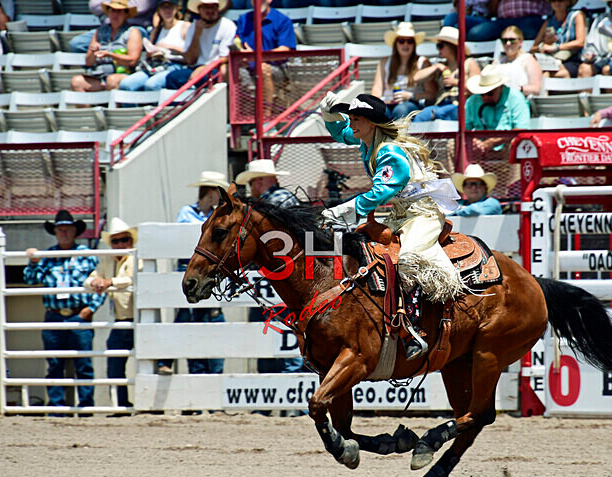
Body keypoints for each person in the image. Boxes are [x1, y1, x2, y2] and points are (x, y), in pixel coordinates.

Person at [319, 92, 463, 361]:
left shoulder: (389, 152)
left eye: (356, 119)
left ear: (372, 123)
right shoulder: (369, 139)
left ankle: (414, 329)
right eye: (350, 118)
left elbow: (381, 192)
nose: (351, 124)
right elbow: (342, 134)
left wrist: (342, 211)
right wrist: (329, 115)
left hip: (423, 214)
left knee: (409, 260)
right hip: (401, 215)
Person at [24, 210, 105, 413]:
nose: (64, 233)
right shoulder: (47, 256)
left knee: (84, 364)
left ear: (75, 231)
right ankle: (56, 407)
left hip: (79, 314)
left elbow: (101, 283)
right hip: (54, 315)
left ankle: (86, 407)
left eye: (67, 229)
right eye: (60, 229)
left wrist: (90, 309)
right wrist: (33, 262)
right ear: (55, 232)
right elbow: (31, 280)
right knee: (54, 363)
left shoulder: (87, 256)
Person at [235, 160, 305, 375]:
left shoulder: (275, 201)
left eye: (253, 182)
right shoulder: (278, 199)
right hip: (281, 274)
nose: (251, 188)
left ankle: (285, 384)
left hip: (283, 274)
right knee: (278, 329)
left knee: (279, 328)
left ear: (260, 181)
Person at [168, 171, 230, 376]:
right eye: (218, 192)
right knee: (193, 329)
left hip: (205, 273)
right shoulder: (186, 212)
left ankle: (211, 382)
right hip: (193, 273)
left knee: (209, 328)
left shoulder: (216, 216)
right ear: (210, 192)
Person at [85, 217, 142, 411]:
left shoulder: (137, 257)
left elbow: (131, 278)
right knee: (115, 364)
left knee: (145, 363)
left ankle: (146, 405)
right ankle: (120, 405)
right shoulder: (107, 260)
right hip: (121, 320)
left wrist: (109, 282)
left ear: (131, 241)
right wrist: (96, 282)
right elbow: (90, 279)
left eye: (123, 240)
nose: (120, 245)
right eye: (115, 241)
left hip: (140, 319)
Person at [234, 0, 296, 117]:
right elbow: (238, 44)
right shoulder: (243, 20)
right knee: (227, 71)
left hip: (277, 68)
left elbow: (284, 51)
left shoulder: (282, 20)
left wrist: (256, 57)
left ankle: (265, 118)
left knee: (263, 68)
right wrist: (241, 52)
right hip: (248, 66)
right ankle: (235, 117)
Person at [71, 0, 144, 93]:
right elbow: (89, 62)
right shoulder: (99, 32)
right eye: (113, 11)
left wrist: (111, 55)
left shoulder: (132, 32)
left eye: (119, 11)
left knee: (112, 80)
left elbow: (132, 61)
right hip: (99, 75)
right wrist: (92, 52)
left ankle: (111, 106)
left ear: (126, 14)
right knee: (77, 82)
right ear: (108, 13)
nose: (115, 15)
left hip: (122, 74)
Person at [119, 0, 190, 92]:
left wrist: (169, 47)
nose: (167, 10)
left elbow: (191, 56)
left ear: (176, 9)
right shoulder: (157, 30)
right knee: (126, 84)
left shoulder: (184, 26)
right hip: (155, 65)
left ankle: (160, 106)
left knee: (152, 85)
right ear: (159, 11)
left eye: (170, 7)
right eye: (164, 7)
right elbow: (149, 54)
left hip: (175, 65)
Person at [164, 0, 236, 89]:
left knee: (204, 78)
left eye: (213, 7)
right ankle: (179, 103)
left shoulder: (227, 25)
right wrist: (197, 34)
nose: (210, 11)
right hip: (196, 67)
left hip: (216, 68)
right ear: (199, 10)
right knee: (172, 78)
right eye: (206, 7)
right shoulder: (193, 26)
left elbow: (225, 57)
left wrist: (205, 68)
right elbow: (190, 60)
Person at [465, 64, 531, 160]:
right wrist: (474, 141)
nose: (485, 98)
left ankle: (515, 176)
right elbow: (464, 129)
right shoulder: (472, 101)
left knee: (516, 144)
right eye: (482, 94)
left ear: (500, 88)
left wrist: (493, 141)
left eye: (489, 93)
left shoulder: (516, 98)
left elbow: (521, 129)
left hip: (505, 147)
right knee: (452, 145)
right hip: (479, 150)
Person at [414, 27, 480, 122]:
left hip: (460, 105)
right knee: (420, 117)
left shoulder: (469, 63)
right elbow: (416, 78)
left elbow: (477, 89)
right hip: (440, 104)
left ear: (452, 46)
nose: (438, 49)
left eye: (441, 46)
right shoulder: (441, 66)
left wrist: (457, 82)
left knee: (440, 113)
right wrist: (436, 67)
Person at [371, 22, 431, 120]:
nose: (406, 44)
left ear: (414, 44)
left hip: (410, 103)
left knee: (401, 110)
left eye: (410, 41)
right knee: (379, 110)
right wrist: (382, 101)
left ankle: (398, 136)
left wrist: (410, 96)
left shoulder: (423, 62)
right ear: (396, 44)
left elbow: (431, 94)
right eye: (402, 41)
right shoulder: (384, 62)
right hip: (387, 102)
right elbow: (376, 89)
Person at [70, 0, 156, 53]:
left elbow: (141, 7)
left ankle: (111, 52)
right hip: (108, 28)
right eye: (112, 10)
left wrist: (113, 3)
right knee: (77, 43)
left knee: (135, 36)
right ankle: (112, 52)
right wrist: (120, 3)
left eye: (118, 10)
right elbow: (94, 6)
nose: (115, 12)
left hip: (136, 27)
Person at [530, 0, 586, 78]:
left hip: (572, 60)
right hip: (550, 61)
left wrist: (556, 47)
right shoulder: (549, 21)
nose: (557, 3)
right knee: (541, 73)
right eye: (553, 0)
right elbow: (533, 48)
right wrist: (543, 45)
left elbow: (580, 42)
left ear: (568, 2)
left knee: (550, 75)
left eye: (560, 0)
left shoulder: (577, 16)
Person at [460, 0, 552, 41]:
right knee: (476, 33)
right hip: (503, 22)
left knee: (529, 32)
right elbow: (492, 10)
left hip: (530, 19)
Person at [494, 25, 542, 96]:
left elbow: (537, 89)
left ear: (520, 42)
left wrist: (518, 89)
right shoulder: (498, 61)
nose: (508, 43)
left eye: (512, 40)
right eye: (504, 40)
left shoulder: (528, 60)